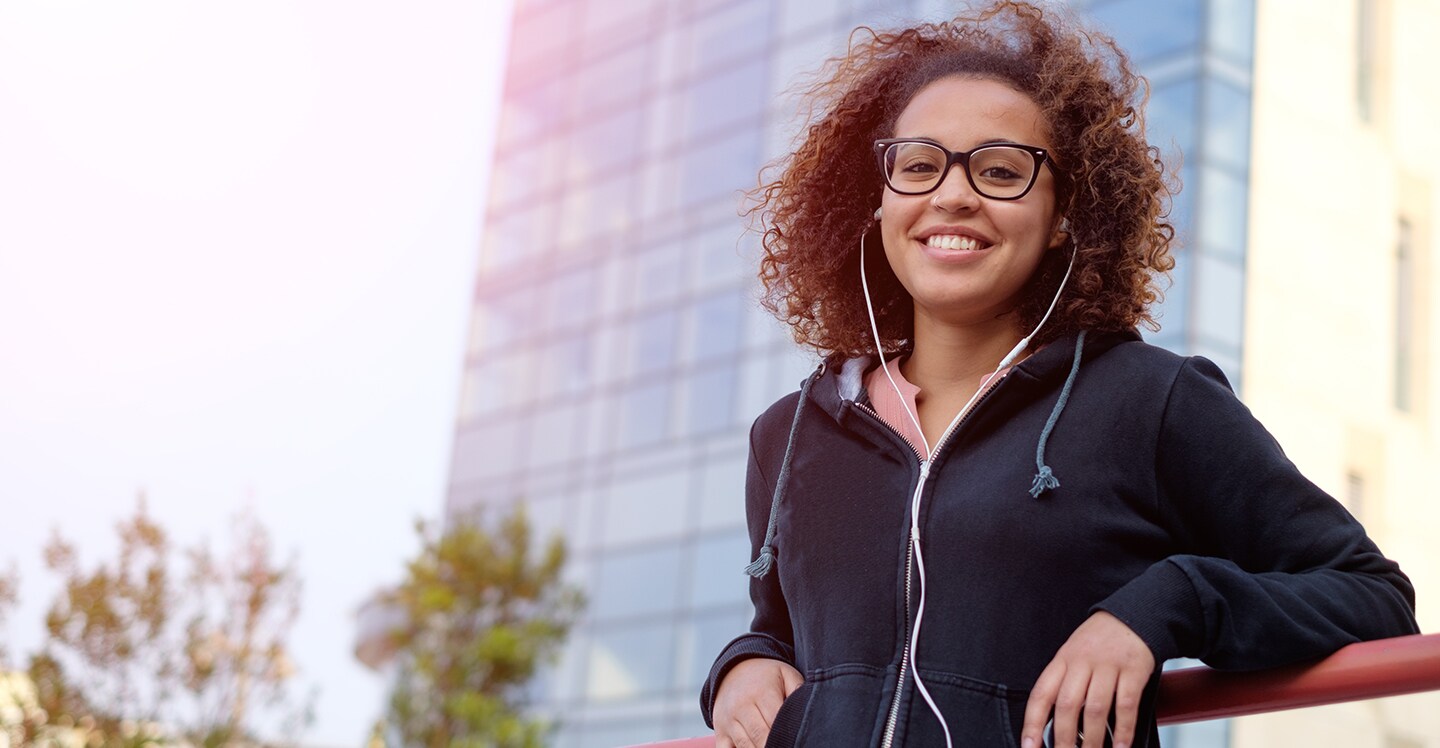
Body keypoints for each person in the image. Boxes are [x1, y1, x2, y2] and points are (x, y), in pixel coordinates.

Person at [697, 2, 1420, 747]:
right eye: (918, 165)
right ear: (875, 202)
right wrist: (742, 663)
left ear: (1065, 215)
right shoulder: (787, 436)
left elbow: (1371, 596)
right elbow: (792, 636)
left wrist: (1166, 604)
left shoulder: (1150, 402)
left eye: (1001, 170)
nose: (952, 194)